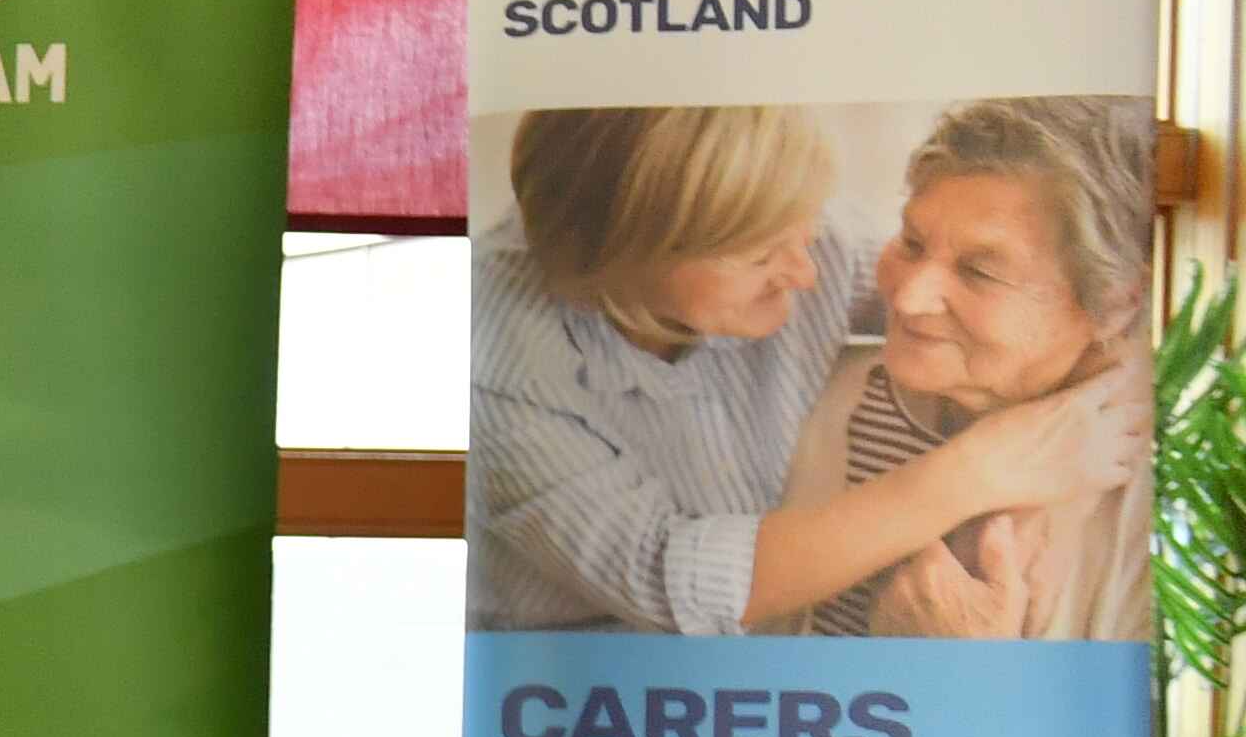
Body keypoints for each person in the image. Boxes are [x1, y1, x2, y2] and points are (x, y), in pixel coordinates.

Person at [470, 104, 1124, 634]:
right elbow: (667, 580)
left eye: (804, 233)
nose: (809, 273)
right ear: (625, 263)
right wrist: (976, 472)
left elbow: (1041, 299)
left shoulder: (802, 235)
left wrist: (1114, 369)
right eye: (760, 258)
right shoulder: (502, 353)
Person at [766, 98, 1155, 642]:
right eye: (912, 242)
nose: (907, 299)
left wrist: (970, 668)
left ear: (1116, 304)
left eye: (979, 271)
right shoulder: (821, 394)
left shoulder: (1158, 497)